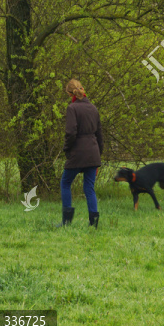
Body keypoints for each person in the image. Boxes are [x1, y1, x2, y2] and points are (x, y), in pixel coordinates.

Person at [59, 79, 103, 228]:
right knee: (89, 188)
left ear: (70, 93)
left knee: (65, 183)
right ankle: (94, 224)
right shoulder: (93, 108)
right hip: (93, 152)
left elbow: (71, 133)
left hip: (77, 153)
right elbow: (99, 134)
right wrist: (99, 154)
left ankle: (66, 222)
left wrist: (66, 149)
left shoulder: (72, 108)